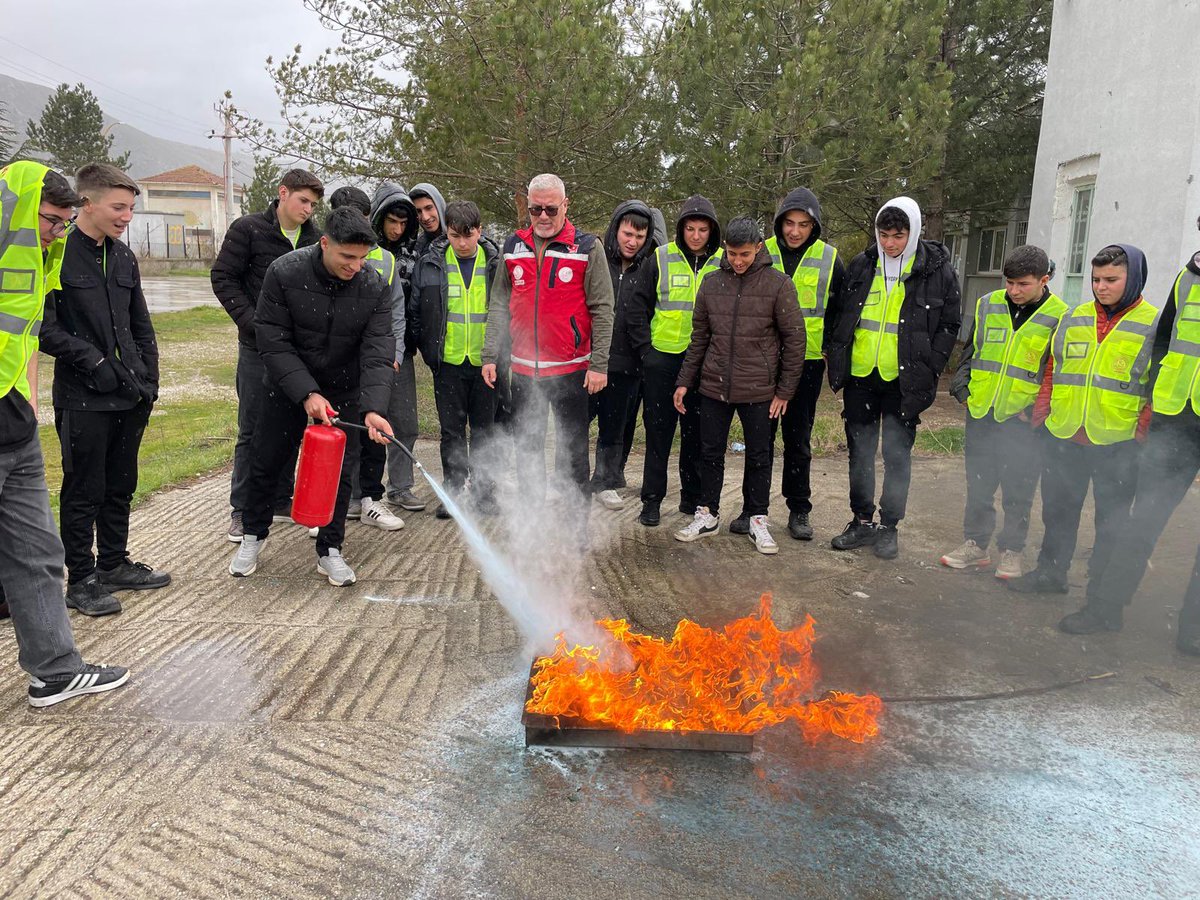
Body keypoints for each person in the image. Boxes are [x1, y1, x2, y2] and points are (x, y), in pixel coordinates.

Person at [0, 160, 129, 706]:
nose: (58, 231)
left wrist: (27, 403)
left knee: (37, 550)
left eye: (63, 220)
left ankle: (54, 669)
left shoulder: (40, 257)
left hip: (14, 423)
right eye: (51, 220)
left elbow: (26, 333)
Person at [227, 208, 396, 587]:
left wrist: (373, 409)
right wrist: (305, 392)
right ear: (325, 243)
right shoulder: (285, 272)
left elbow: (378, 349)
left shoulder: (373, 285)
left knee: (339, 469)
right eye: (346, 257)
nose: (355, 266)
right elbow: (271, 337)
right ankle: (253, 535)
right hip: (287, 381)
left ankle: (330, 549)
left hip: (344, 385)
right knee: (266, 459)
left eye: (362, 257)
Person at [1059, 228, 1200, 651]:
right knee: (1141, 523)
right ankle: (1105, 609)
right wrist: (1156, 396)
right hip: (1177, 418)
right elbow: (1163, 343)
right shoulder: (1188, 275)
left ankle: (1193, 633)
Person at [39, 163, 168, 615]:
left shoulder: (124, 256)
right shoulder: (55, 254)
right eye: (119, 207)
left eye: (131, 208)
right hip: (83, 397)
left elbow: (140, 324)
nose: (126, 216)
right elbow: (44, 328)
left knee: (121, 484)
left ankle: (113, 564)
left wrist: (148, 377)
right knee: (84, 488)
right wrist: (93, 362)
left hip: (130, 395)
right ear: (87, 204)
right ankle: (82, 580)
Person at [1007, 245, 1159, 597]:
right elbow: (1053, 369)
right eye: (1095, 279)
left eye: (1111, 279)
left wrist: (1141, 432)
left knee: (1112, 522)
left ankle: (1101, 591)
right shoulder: (1074, 317)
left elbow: (1156, 386)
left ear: (1133, 278)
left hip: (1117, 443)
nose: (1100, 287)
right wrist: (1042, 416)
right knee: (1058, 512)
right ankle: (1050, 574)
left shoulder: (1153, 324)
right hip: (1065, 434)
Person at [825, 196, 961, 560]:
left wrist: (932, 363)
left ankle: (889, 526)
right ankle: (861, 520)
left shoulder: (936, 271)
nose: (890, 243)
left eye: (899, 235)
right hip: (861, 374)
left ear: (913, 232)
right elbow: (839, 312)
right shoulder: (862, 265)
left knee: (896, 455)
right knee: (860, 452)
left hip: (905, 380)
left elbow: (949, 323)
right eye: (884, 234)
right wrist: (836, 352)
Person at [481, 173, 615, 526]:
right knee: (526, 449)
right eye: (535, 209)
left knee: (572, 455)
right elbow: (498, 303)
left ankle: (575, 528)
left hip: (572, 372)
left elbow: (603, 308)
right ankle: (532, 525)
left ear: (565, 206)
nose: (542, 216)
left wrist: (599, 364)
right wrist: (490, 355)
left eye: (550, 209)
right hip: (524, 371)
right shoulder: (512, 246)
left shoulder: (586, 248)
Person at [673, 216, 806, 554]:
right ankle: (707, 514)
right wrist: (684, 382)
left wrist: (785, 391)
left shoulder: (779, 285)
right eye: (732, 253)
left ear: (758, 248)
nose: (738, 261)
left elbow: (795, 341)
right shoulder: (711, 283)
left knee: (760, 456)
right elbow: (699, 338)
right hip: (714, 386)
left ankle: (757, 518)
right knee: (709, 452)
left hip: (760, 390)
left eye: (745, 254)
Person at [942, 245, 1067, 580]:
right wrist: (963, 389)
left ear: (1044, 279)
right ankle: (975, 544)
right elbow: (970, 351)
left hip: (1022, 422)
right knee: (979, 485)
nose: (1013, 291)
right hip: (981, 411)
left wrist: (1036, 411)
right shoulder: (987, 305)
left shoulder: (1060, 316)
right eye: (1009, 282)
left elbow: (1058, 373)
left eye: (1022, 284)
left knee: (1019, 488)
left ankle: (1011, 551)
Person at [212, 168, 323, 541]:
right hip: (257, 350)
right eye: (303, 200)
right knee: (253, 429)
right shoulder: (248, 230)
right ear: (282, 193)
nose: (308, 209)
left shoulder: (314, 238)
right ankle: (242, 509)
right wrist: (252, 324)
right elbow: (223, 277)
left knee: (290, 427)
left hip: (298, 353)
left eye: (313, 204)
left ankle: (279, 498)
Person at [755, 187, 846, 541]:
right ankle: (755, 509)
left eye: (803, 224)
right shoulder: (764, 251)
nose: (795, 231)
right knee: (761, 439)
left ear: (814, 226)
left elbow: (840, 310)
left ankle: (799, 510)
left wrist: (831, 349)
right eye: (789, 223)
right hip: (764, 359)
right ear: (779, 223)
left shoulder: (829, 258)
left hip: (807, 364)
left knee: (798, 440)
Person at [637, 196, 723, 527]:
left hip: (703, 363)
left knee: (697, 435)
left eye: (703, 229)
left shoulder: (722, 262)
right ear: (681, 228)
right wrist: (647, 352)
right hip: (663, 360)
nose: (697, 235)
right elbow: (638, 307)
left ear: (712, 230)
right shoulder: (661, 258)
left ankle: (692, 497)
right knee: (659, 433)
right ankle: (652, 500)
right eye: (690, 228)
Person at [412, 200, 501, 517]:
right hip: (447, 364)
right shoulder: (431, 263)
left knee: (484, 431)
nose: (462, 243)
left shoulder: (494, 264)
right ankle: (453, 493)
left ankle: (484, 494)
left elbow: (506, 312)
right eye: (454, 235)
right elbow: (417, 314)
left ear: (480, 230)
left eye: (469, 235)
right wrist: (427, 349)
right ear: (447, 232)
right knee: (451, 432)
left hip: (486, 365)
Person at [327, 186, 405, 531]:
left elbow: (396, 316)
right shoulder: (319, 257)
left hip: (373, 362)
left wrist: (394, 355)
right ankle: (330, 506)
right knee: (333, 435)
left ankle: (371, 500)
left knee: (375, 429)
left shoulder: (385, 261)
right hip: (332, 368)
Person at [591, 200, 659, 509]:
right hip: (591, 360)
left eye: (640, 237)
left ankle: (608, 480)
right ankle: (574, 478)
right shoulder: (597, 259)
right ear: (616, 229)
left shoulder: (650, 267)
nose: (632, 242)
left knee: (615, 427)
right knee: (576, 424)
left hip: (628, 364)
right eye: (627, 234)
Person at [369, 182, 426, 513]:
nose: (398, 228)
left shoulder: (415, 254)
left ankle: (401, 487)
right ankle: (365, 491)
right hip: (367, 353)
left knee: (405, 423)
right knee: (369, 425)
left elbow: (411, 306)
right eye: (392, 220)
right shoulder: (364, 252)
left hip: (401, 352)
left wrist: (405, 346)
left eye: (404, 222)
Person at [411, 183, 446, 259]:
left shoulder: (462, 240)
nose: (425, 217)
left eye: (429, 208)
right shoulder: (417, 248)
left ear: (439, 206)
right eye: (418, 211)